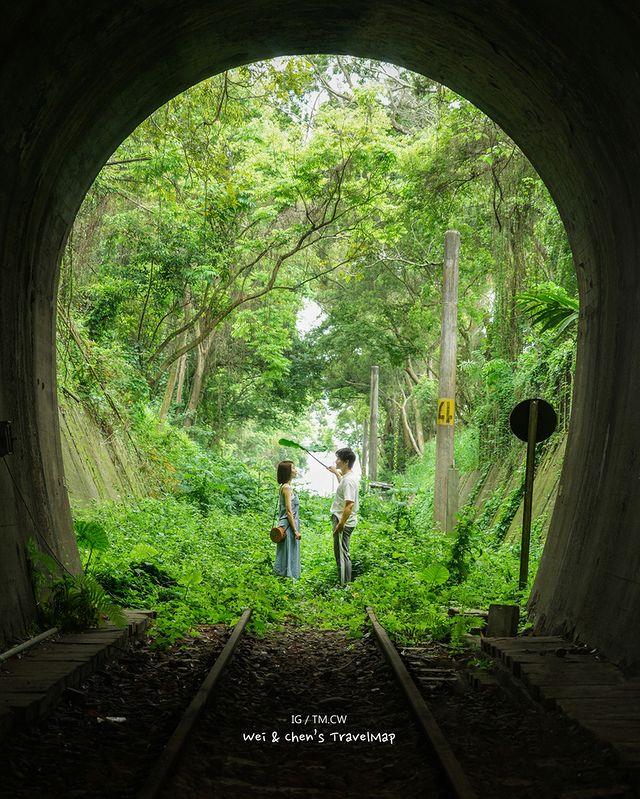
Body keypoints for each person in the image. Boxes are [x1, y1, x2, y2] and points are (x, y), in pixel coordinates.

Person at [328, 447, 359, 585]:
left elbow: (349, 505)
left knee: (342, 555)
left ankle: (344, 585)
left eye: (338, 459)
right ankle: (345, 583)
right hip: (343, 520)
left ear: (346, 462)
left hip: (343, 521)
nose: (336, 461)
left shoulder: (349, 481)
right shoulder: (347, 478)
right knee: (342, 552)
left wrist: (341, 524)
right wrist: (335, 472)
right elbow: (343, 483)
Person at [273, 460, 301, 579]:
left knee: (285, 552)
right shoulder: (287, 488)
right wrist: (295, 530)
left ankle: (284, 579)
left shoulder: (284, 487)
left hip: (286, 524)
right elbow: (289, 512)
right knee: (288, 552)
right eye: (293, 468)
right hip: (288, 525)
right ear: (288, 471)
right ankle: (287, 578)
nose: (295, 470)